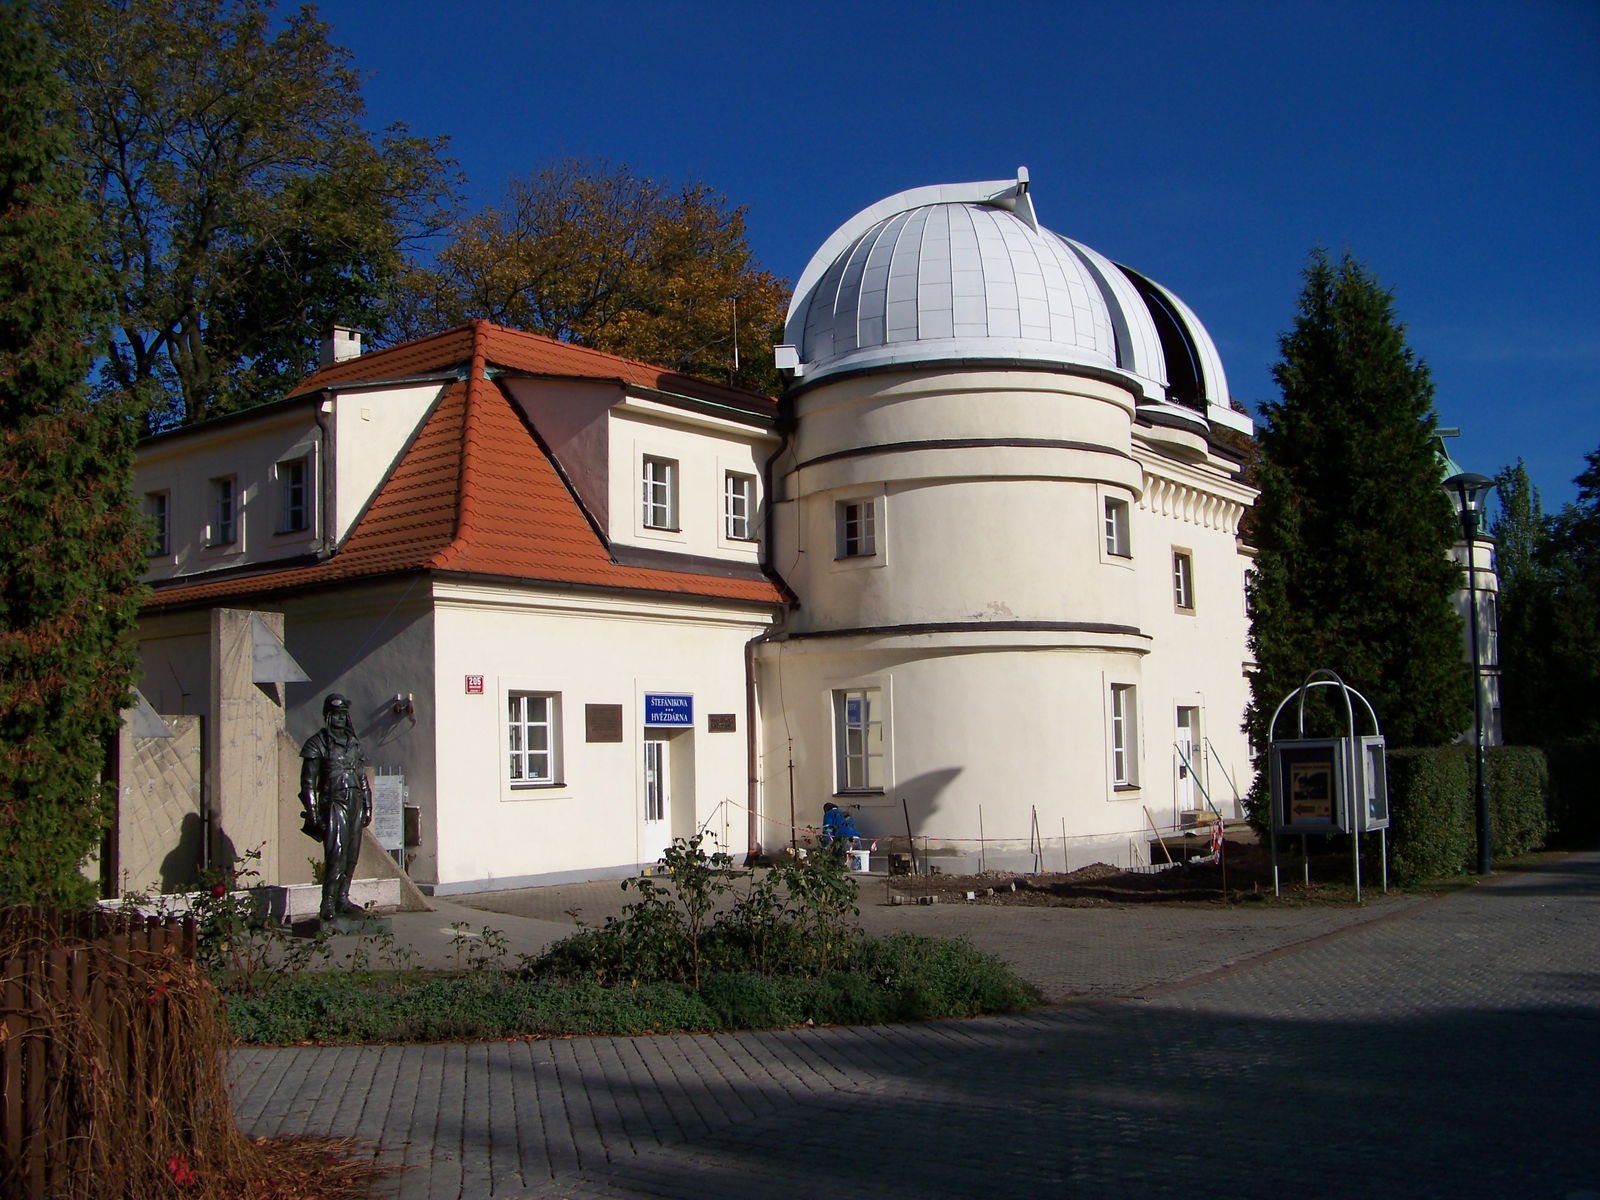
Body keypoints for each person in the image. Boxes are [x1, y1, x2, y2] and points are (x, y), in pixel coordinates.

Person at [299, 693, 372, 921]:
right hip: (334, 802)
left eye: (343, 714)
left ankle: (343, 898)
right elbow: (308, 783)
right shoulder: (317, 743)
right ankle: (327, 903)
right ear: (327, 716)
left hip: (355, 801)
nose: (340, 719)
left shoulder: (353, 743)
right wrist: (312, 815)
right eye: (335, 714)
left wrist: (368, 804)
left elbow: (361, 776)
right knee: (336, 853)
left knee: (352, 854)